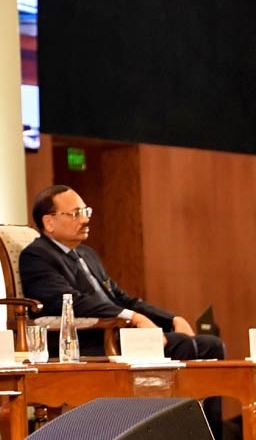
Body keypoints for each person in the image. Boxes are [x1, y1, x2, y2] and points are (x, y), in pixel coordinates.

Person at [20, 184, 225, 436]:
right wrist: (132, 318)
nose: (84, 219)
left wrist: (172, 319)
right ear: (49, 222)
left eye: (85, 211)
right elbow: (71, 301)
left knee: (211, 346)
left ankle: (211, 434)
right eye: (74, 214)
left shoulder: (87, 254)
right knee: (182, 346)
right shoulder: (37, 255)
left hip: (116, 334)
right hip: (87, 341)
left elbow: (122, 298)